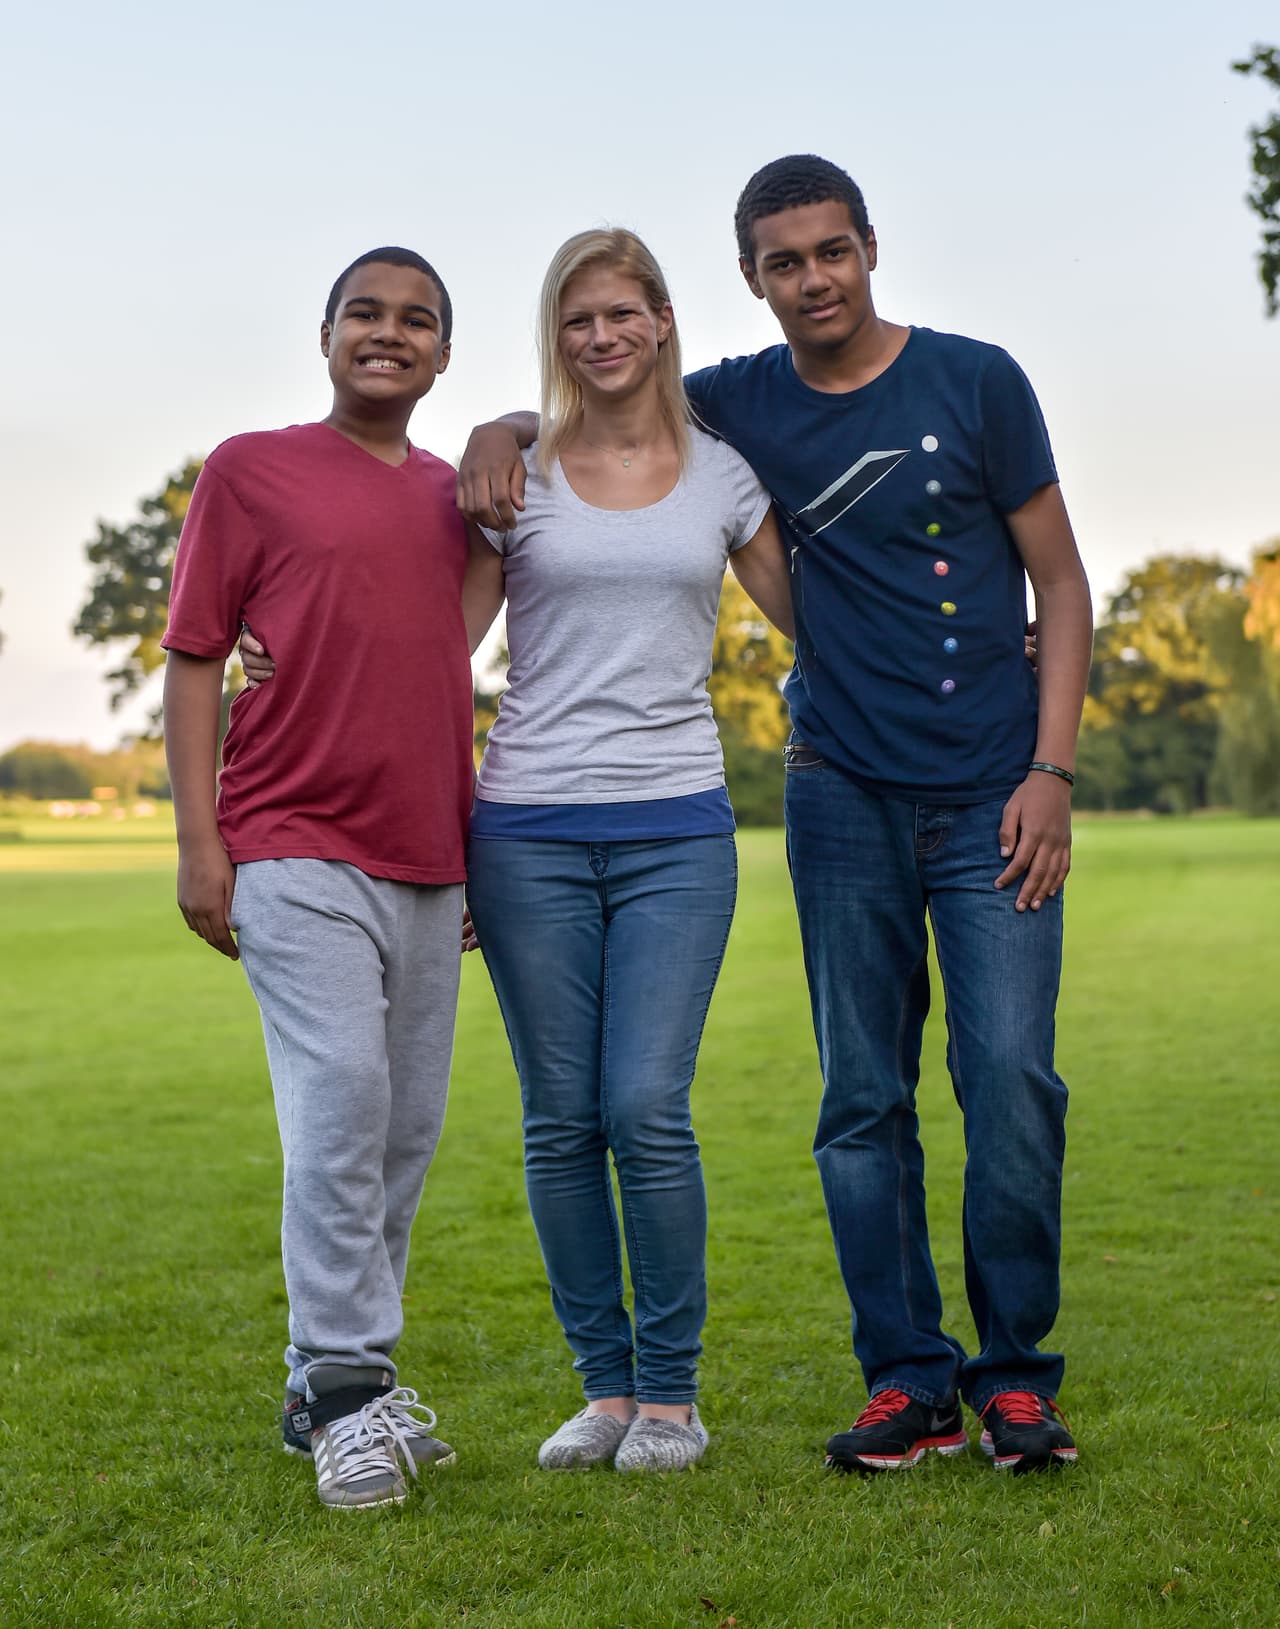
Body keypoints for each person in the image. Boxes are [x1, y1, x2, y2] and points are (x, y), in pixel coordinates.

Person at [458, 156, 1093, 1476]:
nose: (813, 279)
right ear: (749, 280)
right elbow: (601, 400)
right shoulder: (734, 403)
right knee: (862, 1100)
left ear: (870, 248)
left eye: (831, 252)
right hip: (838, 792)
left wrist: (1053, 771)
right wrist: (499, 428)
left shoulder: (978, 381)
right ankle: (908, 1382)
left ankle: (1015, 1376)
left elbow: (1065, 584)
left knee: (1012, 1085)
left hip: (991, 792)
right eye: (784, 262)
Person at [461, 228, 792, 1473]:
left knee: (644, 1108)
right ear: (556, 339)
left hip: (675, 829)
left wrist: (986, 643)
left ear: (659, 318)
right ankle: (601, 1393)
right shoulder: (515, 476)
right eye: (573, 321)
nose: (599, 338)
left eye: (619, 314)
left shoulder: (721, 475)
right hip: (527, 827)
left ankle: (670, 1395)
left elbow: (824, 622)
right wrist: (275, 663)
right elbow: (429, 649)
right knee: (558, 1121)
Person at [162, 247, 479, 1510]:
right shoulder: (251, 470)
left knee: (401, 1130)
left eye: (416, 321)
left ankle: (322, 1375)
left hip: (430, 858)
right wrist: (199, 843)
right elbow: (194, 658)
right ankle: (351, 1391)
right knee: (342, 1099)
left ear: (443, 355)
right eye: (365, 312)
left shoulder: (463, 496)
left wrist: (511, 434)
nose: (387, 334)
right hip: (288, 840)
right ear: (326, 332)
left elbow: (437, 645)